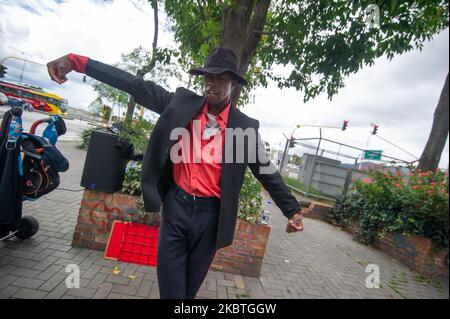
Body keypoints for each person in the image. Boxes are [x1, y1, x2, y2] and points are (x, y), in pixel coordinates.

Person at [47, 47, 305, 299]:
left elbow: (265, 170)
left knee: (188, 293)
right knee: (172, 291)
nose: (211, 84)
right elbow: (135, 85)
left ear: (233, 83)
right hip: (176, 208)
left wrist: (291, 210)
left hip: (211, 219)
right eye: (208, 77)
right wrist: (76, 62)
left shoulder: (244, 128)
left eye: (220, 78)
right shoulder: (181, 104)